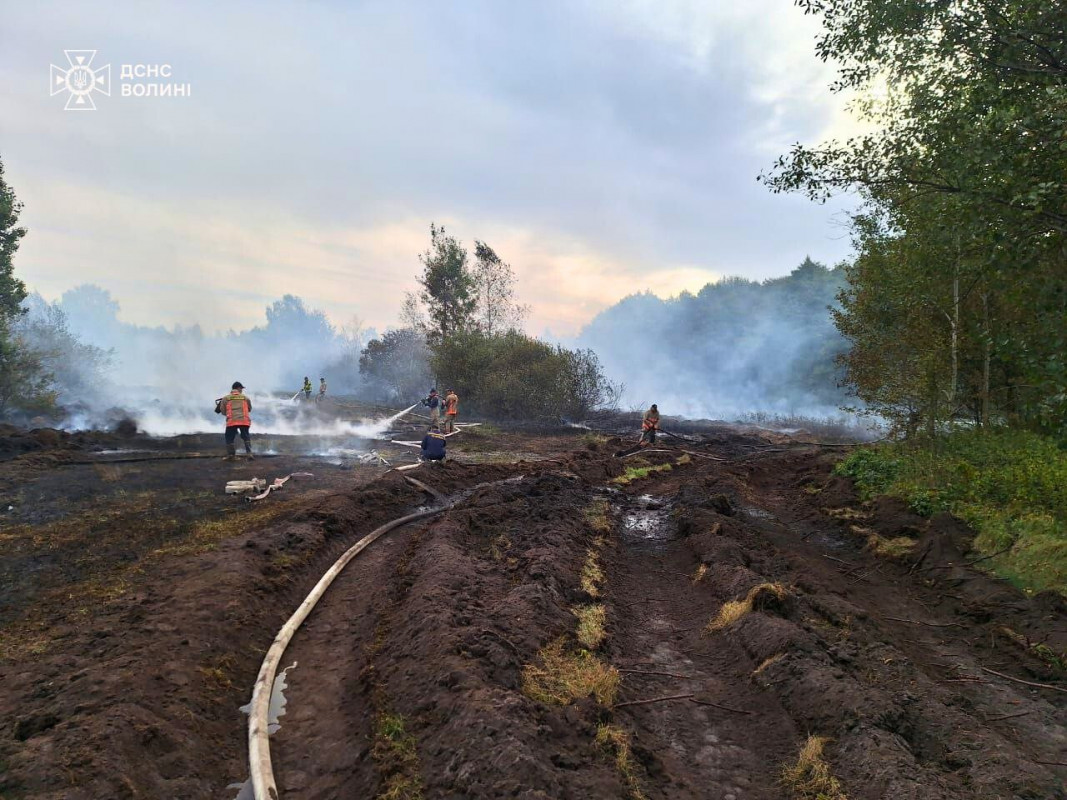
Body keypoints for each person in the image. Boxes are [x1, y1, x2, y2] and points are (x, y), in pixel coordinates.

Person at [218, 381, 253, 460]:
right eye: (241, 388)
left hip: (232, 421)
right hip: (244, 421)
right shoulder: (245, 398)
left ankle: (231, 456)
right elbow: (249, 409)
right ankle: (249, 454)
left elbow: (223, 411)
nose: (242, 390)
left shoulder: (225, 398)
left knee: (229, 437)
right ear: (238, 388)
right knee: (246, 436)